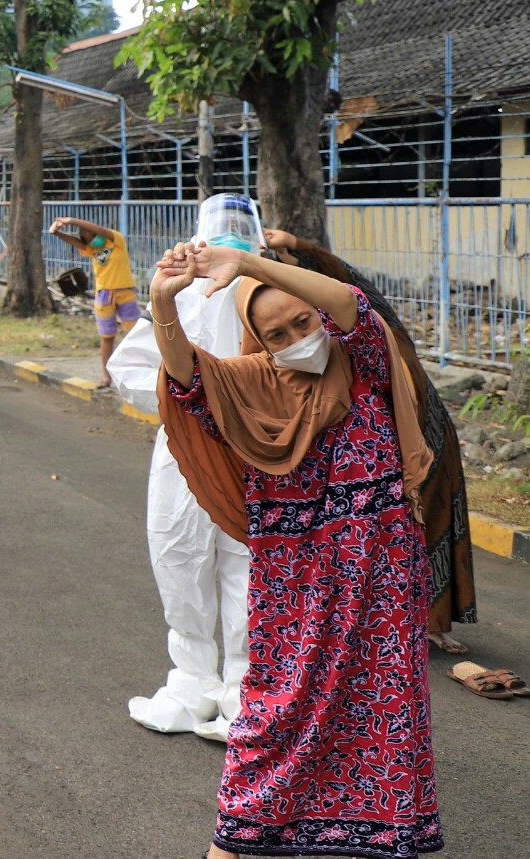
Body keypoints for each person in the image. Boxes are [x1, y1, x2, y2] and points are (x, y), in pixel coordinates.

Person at [151, 240, 440, 859]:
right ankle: (236, 841)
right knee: (275, 713)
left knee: (382, 709)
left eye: (303, 320)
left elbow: (354, 305)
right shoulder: (248, 388)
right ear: (260, 342)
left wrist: (251, 267)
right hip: (294, 582)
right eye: (277, 332)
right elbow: (184, 379)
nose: (296, 336)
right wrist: (161, 303)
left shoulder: (360, 359)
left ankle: (381, 837)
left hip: (382, 573)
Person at [261, 226, 479, 657]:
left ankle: (430, 622)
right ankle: (385, 621)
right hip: (379, 436)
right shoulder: (315, 331)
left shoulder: (351, 304)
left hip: (424, 420)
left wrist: (298, 248)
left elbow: (349, 282)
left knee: (433, 517)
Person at [107, 194, 258, 741]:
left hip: (256, 456)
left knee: (249, 569)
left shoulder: (268, 290)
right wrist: (184, 397)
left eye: (242, 228)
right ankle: (192, 682)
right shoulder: (176, 293)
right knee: (178, 555)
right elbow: (127, 369)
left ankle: (247, 689)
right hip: (182, 452)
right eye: (223, 227)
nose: (231, 238)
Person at [49, 215, 140, 386]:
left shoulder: (115, 240)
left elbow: (98, 230)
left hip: (125, 292)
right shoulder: (91, 249)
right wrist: (56, 233)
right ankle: (107, 377)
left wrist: (72, 221)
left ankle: (137, 372)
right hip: (104, 295)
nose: (91, 237)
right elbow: (75, 242)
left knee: (135, 333)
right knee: (106, 336)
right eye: (86, 236)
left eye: (91, 233)